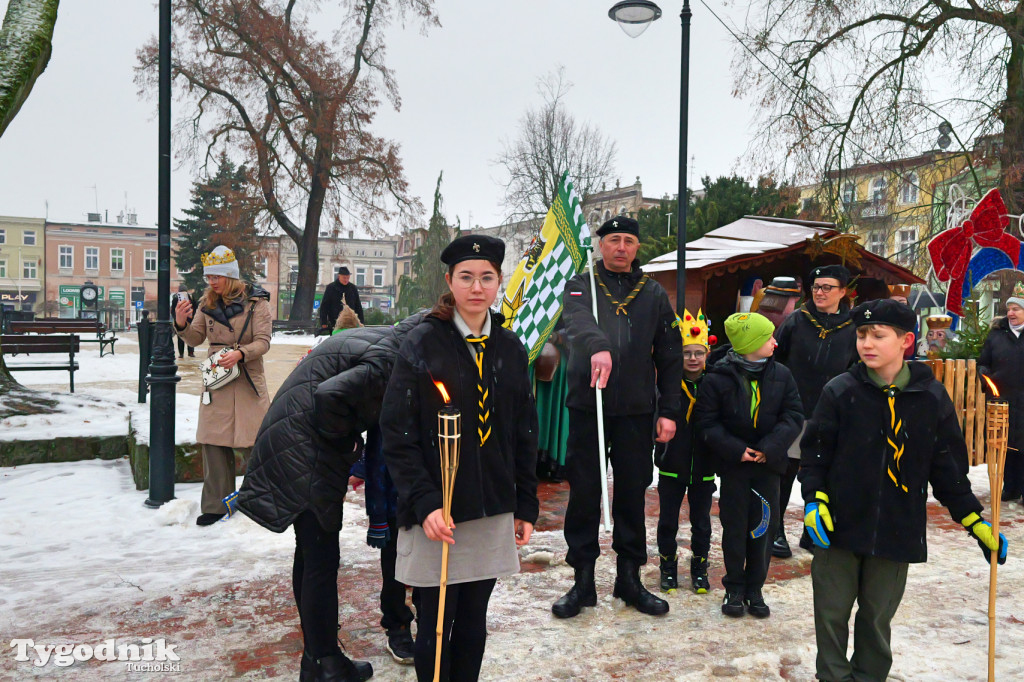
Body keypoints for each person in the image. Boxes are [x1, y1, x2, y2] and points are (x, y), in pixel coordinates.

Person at [799, 298, 1008, 681]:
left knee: (877, 617)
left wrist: (974, 519)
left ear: (906, 342)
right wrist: (815, 499)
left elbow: (947, 470)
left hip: (897, 527)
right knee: (830, 614)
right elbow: (815, 453)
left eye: (878, 335)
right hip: (837, 525)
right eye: (861, 334)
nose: (866, 343)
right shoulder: (840, 390)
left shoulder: (930, 399)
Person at [381, 235, 538, 682]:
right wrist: (425, 501)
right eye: (466, 277)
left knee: (473, 620)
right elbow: (398, 433)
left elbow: (524, 431)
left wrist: (524, 502)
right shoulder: (423, 344)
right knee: (434, 622)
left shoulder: (509, 347)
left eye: (486, 277)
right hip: (440, 511)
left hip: (490, 508)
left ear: (499, 282)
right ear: (449, 281)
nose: (476, 287)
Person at [236, 313, 425, 682]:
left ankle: (316, 658)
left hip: (292, 444)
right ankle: (325, 661)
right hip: (306, 455)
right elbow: (330, 395)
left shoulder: (379, 340)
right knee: (321, 559)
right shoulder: (390, 357)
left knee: (310, 554)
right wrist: (347, 442)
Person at [552, 216, 682, 619]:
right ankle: (583, 581)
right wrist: (598, 345)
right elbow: (574, 323)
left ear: (636, 248)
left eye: (628, 241)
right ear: (601, 245)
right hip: (588, 406)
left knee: (631, 493)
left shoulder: (655, 293)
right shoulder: (580, 285)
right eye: (613, 240)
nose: (621, 247)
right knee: (586, 492)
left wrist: (670, 411)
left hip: (636, 410)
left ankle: (629, 579)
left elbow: (670, 355)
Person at [696, 312, 803, 618]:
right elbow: (707, 423)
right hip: (735, 467)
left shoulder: (782, 375)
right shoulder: (717, 378)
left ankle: (755, 587)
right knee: (735, 527)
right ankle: (734, 586)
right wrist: (736, 450)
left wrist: (769, 448)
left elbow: (793, 415)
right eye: (768, 337)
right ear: (750, 343)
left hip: (768, 467)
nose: (775, 341)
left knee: (762, 528)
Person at [174, 245, 272, 526]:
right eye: (209, 277)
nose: (212, 282)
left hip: (247, 378)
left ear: (230, 276)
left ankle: (262, 501)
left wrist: (241, 353)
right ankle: (216, 506)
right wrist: (181, 323)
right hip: (217, 377)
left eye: (216, 276)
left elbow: (263, 342)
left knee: (255, 441)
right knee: (213, 439)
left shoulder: (257, 303)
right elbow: (195, 338)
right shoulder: (207, 304)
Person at [772, 264, 858, 558]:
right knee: (784, 472)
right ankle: (775, 531)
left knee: (826, 473)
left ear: (842, 292)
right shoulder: (797, 320)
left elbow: (855, 368)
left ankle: (814, 530)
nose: (820, 293)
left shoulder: (853, 327)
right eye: (816, 287)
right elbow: (776, 358)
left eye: (827, 288)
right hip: (794, 410)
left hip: (832, 413)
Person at [656, 309, 716, 595]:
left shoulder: (714, 385)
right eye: (686, 353)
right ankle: (668, 566)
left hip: (704, 468)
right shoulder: (667, 388)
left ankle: (700, 567)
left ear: (707, 353)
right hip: (671, 465)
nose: (692, 359)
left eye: (698, 353)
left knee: (701, 522)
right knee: (667, 521)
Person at [979, 281, 1024, 502]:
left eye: (1016, 309)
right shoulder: (996, 335)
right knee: (1007, 445)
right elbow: (983, 362)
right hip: (1002, 399)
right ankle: (1011, 487)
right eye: (1009, 309)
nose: (1011, 313)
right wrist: (985, 377)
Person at [320, 266, 364, 333]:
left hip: (351, 322)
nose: (346, 280)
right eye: (344, 277)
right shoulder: (331, 287)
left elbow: (358, 306)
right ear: (339, 276)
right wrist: (323, 322)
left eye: (348, 278)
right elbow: (324, 306)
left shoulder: (352, 288)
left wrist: (361, 322)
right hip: (335, 321)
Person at [171, 284, 197, 358]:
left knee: (187, 336)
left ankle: (187, 352)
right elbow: (173, 309)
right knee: (182, 336)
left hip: (189, 320)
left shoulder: (190, 297)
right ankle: (185, 353)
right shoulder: (176, 298)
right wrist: (176, 318)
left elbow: (195, 307)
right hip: (183, 320)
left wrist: (193, 316)